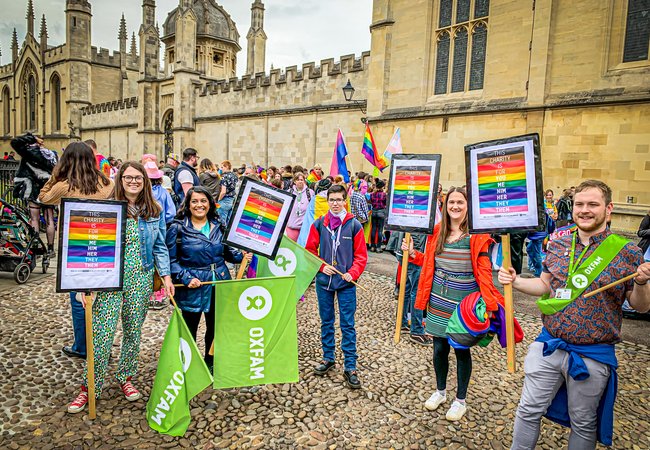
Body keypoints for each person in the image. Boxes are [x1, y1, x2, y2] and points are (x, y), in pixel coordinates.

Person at [498, 179, 650, 449]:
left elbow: (641, 306)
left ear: (609, 208)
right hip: (549, 345)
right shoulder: (557, 244)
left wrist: (641, 283)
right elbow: (545, 284)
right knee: (528, 409)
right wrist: (515, 281)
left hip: (593, 354)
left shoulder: (627, 252)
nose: (585, 210)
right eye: (580, 204)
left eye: (593, 204)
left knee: (583, 422)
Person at [67, 161, 174, 414]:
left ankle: (125, 376)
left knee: (133, 331)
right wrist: (83, 283)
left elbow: (159, 246)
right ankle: (89, 386)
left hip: (140, 277)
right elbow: (88, 245)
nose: (133, 181)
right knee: (101, 334)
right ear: (120, 179)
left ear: (145, 181)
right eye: (128, 177)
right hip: (107, 279)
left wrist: (166, 276)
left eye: (138, 177)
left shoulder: (153, 210)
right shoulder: (106, 208)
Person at [401, 186, 503, 421]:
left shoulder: (478, 236)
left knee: (461, 350)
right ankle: (440, 391)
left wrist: (490, 302)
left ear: (468, 206)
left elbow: (485, 271)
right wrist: (413, 253)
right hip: (438, 299)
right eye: (451, 203)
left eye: (460, 202)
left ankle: (460, 400)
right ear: (445, 206)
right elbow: (429, 262)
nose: (455, 206)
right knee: (439, 349)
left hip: (464, 303)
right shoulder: (438, 231)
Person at [39, 142, 114, 360]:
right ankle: (100, 346)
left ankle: (83, 346)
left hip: (75, 248)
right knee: (100, 300)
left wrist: (54, 175)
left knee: (79, 301)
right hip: (102, 245)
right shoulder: (106, 183)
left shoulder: (64, 186)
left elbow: (43, 197)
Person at [166, 187, 249, 372]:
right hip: (192, 287)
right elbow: (170, 260)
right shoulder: (177, 228)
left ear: (210, 203)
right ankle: (187, 364)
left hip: (219, 283)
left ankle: (210, 361)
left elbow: (227, 253)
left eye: (203, 201)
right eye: (194, 201)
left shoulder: (218, 225)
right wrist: (186, 277)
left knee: (215, 327)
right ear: (188, 204)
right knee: (189, 329)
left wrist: (241, 256)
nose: (199, 205)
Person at [306, 184, 367, 389]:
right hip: (324, 283)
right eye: (332, 200)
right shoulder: (318, 224)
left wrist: (353, 273)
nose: (335, 203)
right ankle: (328, 357)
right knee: (326, 321)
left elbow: (361, 256)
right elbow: (309, 251)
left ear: (345, 201)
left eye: (339, 199)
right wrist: (322, 267)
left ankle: (350, 366)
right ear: (327, 201)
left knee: (347, 325)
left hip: (346, 284)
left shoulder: (354, 225)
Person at [10, 133, 58, 255]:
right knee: (49, 219)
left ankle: (36, 245)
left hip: (34, 189)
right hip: (48, 189)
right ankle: (51, 248)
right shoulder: (52, 155)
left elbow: (15, 142)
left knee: (34, 219)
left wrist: (30, 137)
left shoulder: (29, 152)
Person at [397, 232, 431, 345]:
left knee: (407, 290)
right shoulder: (424, 215)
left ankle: (402, 323)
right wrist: (413, 252)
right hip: (413, 254)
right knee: (416, 292)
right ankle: (416, 330)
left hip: (408, 252)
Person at [286, 172, 313, 241]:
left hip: (304, 230)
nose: (300, 181)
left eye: (302, 180)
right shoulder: (289, 192)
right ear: (294, 181)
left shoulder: (310, 193)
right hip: (291, 228)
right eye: (298, 180)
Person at [218, 160, 238, 224]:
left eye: (222, 167)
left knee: (221, 221)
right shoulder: (234, 175)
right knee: (229, 221)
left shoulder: (224, 176)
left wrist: (219, 199)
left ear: (226, 167)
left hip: (225, 199)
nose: (221, 169)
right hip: (232, 199)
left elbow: (223, 191)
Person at [369, 180, 387, 252]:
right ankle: (378, 247)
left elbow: (371, 202)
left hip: (374, 211)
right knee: (380, 230)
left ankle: (373, 246)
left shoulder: (372, 194)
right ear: (382, 187)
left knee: (373, 229)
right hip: (381, 212)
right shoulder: (384, 195)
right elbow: (385, 203)